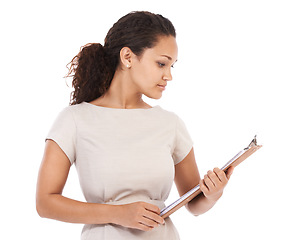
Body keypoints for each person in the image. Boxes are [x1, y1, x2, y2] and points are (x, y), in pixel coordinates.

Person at [36, 11, 234, 239]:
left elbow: (193, 203)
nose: (168, 75)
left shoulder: (171, 124)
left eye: (172, 66)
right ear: (128, 57)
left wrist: (212, 195)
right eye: (161, 63)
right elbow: (45, 202)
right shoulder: (74, 120)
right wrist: (117, 213)